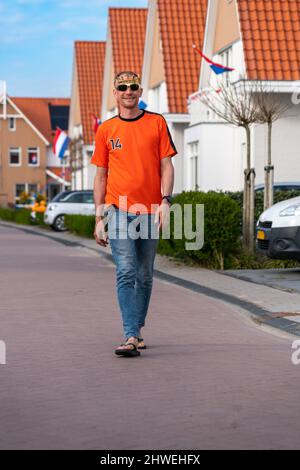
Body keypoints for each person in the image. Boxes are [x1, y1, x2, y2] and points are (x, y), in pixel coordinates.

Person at [91, 71, 177, 357]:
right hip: (117, 210)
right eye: (122, 87)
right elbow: (101, 176)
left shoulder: (157, 122)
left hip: (150, 211)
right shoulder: (106, 129)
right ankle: (130, 335)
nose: (128, 91)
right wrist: (99, 217)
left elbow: (167, 165)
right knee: (126, 271)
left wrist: (166, 201)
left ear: (140, 91)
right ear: (115, 93)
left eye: (133, 87)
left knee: (145, 274)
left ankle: (136, 330)